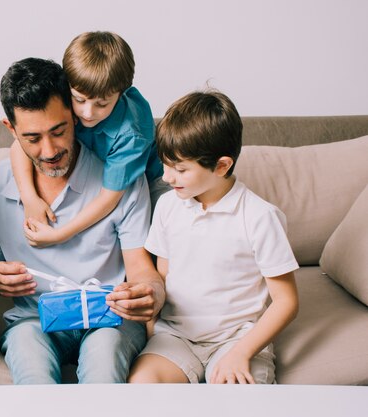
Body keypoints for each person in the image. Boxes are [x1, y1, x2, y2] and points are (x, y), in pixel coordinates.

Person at [0, 57, 165, 384]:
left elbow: (142, 269)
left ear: (75, 117)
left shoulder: (120, 179)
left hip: (110, 319)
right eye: (32, 138)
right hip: (33, 321)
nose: (49, 150)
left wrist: (151, 293)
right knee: (29, 358)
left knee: (104, 358)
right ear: (11, 129)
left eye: (58, 130)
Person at [128, 90, 300, 384]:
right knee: (142, 388)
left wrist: (242, 352)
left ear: (222, 166)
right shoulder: (169, 205)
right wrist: (150, 331)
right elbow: (162, 276)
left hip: (236, 340)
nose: (167, 177)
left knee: (236, 399)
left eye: (180, 169)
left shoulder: (259, 216)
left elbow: (286, 302)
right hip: (176, 338)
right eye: (166, 164)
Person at [10, 31, 170, 248]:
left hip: (152, 180)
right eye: (79, 100)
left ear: (120, 93)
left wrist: (60, 235)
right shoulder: (66, 97)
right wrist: (29, 198)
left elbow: (108, 199)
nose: (87, 113)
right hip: (95, 167)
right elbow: (21, 145)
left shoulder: (130, 136)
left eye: (102, 104)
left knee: (156, 239)